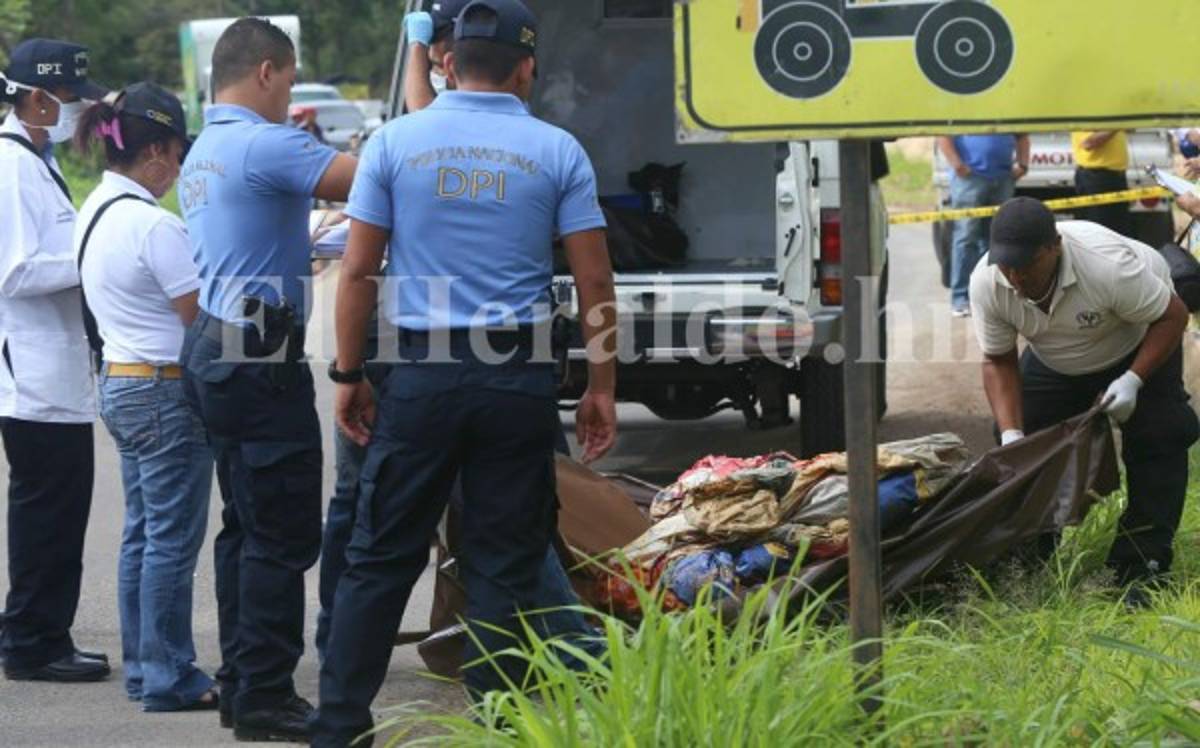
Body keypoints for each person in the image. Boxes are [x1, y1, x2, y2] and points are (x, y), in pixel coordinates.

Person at [312, 0, 618, 743]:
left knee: (380, 556)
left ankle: (342, 726)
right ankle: (497, 721)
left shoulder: (394, 144)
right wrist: (603, 386)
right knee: (505, 561)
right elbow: (595, 283)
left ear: (447, 63)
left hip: (421, 376)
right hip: (514, 378)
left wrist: (349, 374)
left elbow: (358, 273)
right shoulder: (557, 150)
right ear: (525, 68)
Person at [176, 17, 356, 742]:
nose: (288, 97)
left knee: (244, 527)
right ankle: (266, 696)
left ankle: (239, 683)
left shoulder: (206, 149)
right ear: (268, 74)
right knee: (281, 532)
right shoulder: (266, 142)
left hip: (217, 346)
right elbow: (377, 177)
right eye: (288, 80)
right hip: (257, 359)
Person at [970, 197, 1197, 607]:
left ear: (1054, 246)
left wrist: (1132, 380)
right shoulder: (988, 280)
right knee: (1027, 448)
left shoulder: (1107, 266)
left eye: (1027, 264)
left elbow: (1173, 316)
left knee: (1161, 433)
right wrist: (1012, 436)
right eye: (1008, 265)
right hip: (1056, 357)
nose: (1017, 277)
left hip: (1139, 339)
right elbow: (998, 359)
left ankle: (1140, 570)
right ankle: (1030, 560)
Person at [73, 83, 218, 712]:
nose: (179, 170)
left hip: (120, 382)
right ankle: (168, 674)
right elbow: (199, 317)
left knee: (143, 533)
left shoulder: (97, 210)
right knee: (170, 541)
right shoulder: (154, 226)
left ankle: (144, 667)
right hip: (162, 391)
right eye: (178, 155)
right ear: (156, 150)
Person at [0, 38, 111, 684]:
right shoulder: (11, 166)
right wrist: (91, 258)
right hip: (34, 377)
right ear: (38, 97)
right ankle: (35, 643)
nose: (76, 109)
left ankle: (36, 629)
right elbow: (13, 270)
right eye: (70, 97)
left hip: (52, 371)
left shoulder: (33, 159)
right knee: (49, 516)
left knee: (55, 513)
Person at [937, 133, 1030, 317]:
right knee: (966, 238)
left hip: (1003, 178)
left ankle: (993, 297)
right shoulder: (960, 106)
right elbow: (943, 136)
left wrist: (1023, 164)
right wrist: (957, 165)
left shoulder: (1007, 107)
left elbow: (1022, 135)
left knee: (998, 240)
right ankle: (960, 298)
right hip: (969, 179)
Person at [1071, 130, 1132, 237]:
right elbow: (1089, 143)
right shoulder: (1086, 117)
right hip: (1096, 177)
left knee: (1119, 231)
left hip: (1115, 177)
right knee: (1099, 232)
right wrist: (1116, 126)